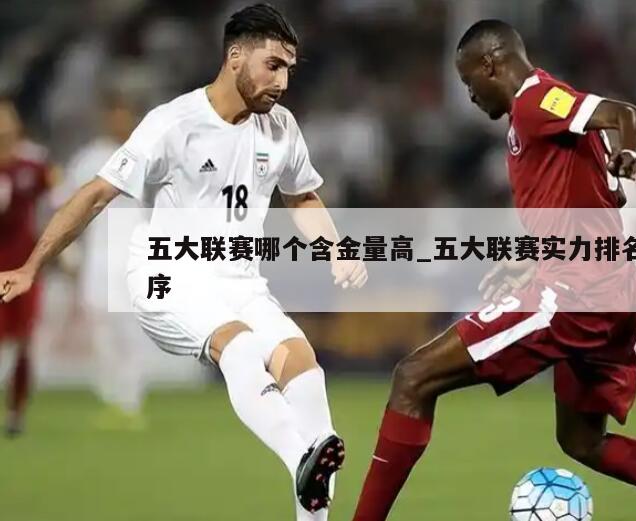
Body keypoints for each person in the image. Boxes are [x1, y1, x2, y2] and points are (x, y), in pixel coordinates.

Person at [351, 20, 636, 521]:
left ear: (490, 64)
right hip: (613, 291)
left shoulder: (536, 100)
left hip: (576, 294)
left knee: (413, 377)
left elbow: (627, 114)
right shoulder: (543, 116)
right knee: (582, 440)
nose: (469, 94)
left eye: (468, 80)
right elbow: (587, 206)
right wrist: (532, 258)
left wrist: (629, 151)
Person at [0, 4, 365, 519]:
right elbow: (96, 194)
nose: (283, 81)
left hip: (240, 280)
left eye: (288, 69)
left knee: (306, 373)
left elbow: (301, 195)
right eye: (273, 65)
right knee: (241, 347)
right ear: (235, 57)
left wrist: (335, 249)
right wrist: (32, 266)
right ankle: (300, 456)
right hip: (168, 276)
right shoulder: (174, 123)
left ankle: (313, 495)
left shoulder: (280, 127)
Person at [60, 93, 149, 429]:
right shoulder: (89, 159)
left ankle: (130, 402)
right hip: (98, 257)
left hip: (137, 257)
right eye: (114, 115)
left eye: (125, 115)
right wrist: (68, 251)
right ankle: (111, 397)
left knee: (131, 331)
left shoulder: (149, 156)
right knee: (101, 331)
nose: (119, 121)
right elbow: (68, 205)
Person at [0, 96, 55, 437]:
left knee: (23, 341)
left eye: (6, 118)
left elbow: (55, 205)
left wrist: (58, 252)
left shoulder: (33, 166)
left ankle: (16, 411)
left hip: (23, 270)